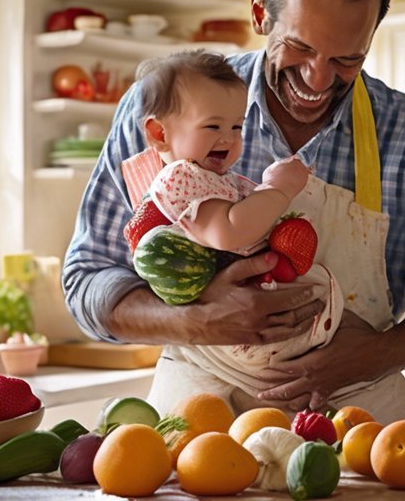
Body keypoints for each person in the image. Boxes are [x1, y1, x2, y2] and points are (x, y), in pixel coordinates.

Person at [64, 0, 405, 423]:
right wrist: (198, 321)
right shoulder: (164, 114)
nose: (317, 79)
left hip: (356, 408)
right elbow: (88, 280)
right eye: (301, 48)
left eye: (346, 59)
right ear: (259, 14)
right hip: (198, 412)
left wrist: (374, 352)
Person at [123, 50, 344, 369]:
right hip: (229, 338)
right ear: (160, 134)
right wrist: (278, 188)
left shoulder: (216, 177)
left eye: (237, 127)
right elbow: (228, 232)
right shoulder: (183, 177)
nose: (228, 139)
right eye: (212, 126)